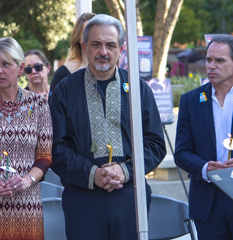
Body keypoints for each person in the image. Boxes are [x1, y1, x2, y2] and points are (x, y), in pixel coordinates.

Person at [50, 14, 166, 239]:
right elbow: (55, 147)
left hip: (130, 197)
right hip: (82, 198)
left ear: (121, 49)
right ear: (84, 47)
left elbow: (155, 144)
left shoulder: (139, 89)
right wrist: (92, 174)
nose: (103, 51)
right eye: (96, 44)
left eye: (110, 45)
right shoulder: (65, 90)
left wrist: (124, 171)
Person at [0, 37, 53, 240]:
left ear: (21, 67)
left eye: (6, 64)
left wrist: (27, 180)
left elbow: (45, 156)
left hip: (26, 205)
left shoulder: (38, 105)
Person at [174, 35, 233, 240]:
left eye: (219, 60)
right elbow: (181, 153)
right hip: (208, 202)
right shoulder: (191, 100)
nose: (211, 66)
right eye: (208, 60)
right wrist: (204, 168)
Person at [50, 12, 96, 91]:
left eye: (96, 32)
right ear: (78, 38)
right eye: (87, 33)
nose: (93, 37)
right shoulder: (63, 73)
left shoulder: (110, 71)